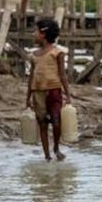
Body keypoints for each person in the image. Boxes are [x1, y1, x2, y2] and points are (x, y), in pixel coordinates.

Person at [26, 17, 72, 161]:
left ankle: (56, 148)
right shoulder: (33, 55)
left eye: (35, 31)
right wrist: (27, 97)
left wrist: (68, 95)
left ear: (43, 34)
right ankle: (46, 155)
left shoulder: (57, 53)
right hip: (37, 92)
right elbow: (31, 77)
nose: (33, 34)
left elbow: (63, 75)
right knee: (42, 123)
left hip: (54, 91)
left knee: (56, 120)